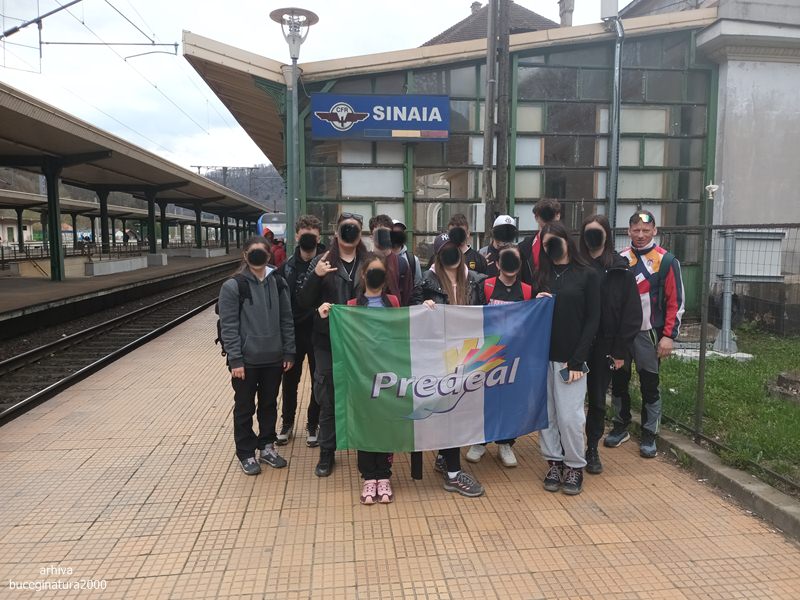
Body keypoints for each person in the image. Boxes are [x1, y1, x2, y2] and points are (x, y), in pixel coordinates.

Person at [318, 253, 400, 504]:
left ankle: (384, 474)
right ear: (363, 275)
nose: (375, 276)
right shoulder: (351, 305)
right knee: (365, 424)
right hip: (361, 377)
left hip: (387, 376)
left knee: (386, 423)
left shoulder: (394, 302)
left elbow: (404, 331)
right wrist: (326, 314)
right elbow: (342, 337)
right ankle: (368, 476)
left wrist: (426, 309)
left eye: (380, 272)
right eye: (371, 271)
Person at [605, 210, 685, 458]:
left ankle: (650, 433)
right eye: (636, 230)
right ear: (628, 231)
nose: (640, 235)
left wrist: (669, 335)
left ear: (655, 231)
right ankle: (620, 426)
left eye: (646, 230)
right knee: (618, 382)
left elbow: (676, 301)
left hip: (648, 333)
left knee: (650, 384)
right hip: (621, 336)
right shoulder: (619, 259)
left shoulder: (667, 261)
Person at [416, 232, 487, 497]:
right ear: (438, 255)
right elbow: (411, 310)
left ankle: (446, 457)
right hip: (440, 357)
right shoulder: (427, 281)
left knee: (461, 411)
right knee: (449, 411)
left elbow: (487, 312)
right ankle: (454, 474)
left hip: (468, 355)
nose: (451, 253)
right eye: (445, 249)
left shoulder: (476, 280)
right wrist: (422, 306)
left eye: (454, 247)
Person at [217, 236, 295, 475]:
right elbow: (229, 326)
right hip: (246, 361)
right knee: (244, 407)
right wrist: (235, 359)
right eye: (253, 251)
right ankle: (246, 452)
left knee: (269, 405)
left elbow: (286, 319)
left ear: (269, 254)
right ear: (245, 255)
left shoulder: (278, 282)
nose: (258, 255)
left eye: (262, 251)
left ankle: (267, 446)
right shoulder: (233, 286)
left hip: (274, 358)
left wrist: (289, 351)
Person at [298, 212, 367, 477]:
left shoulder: (369, 262)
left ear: (360, 234)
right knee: (328, 398)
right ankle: (327, 452)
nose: (349, 233)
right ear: (336, 232)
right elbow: (304, 302)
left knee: (363, 396)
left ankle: (365, 451)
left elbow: (382, 295)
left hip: (360, 342)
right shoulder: (321, 261)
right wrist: (315, 277)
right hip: (327, 340)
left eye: (354, 229)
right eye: (345, 228)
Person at [535, 222, 600, 495]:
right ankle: (554, 461)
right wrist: (537, 301)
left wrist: (578, 358)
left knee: (570, 416)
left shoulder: (587, 274)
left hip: (571, 360)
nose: (550, 248)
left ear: (566, 241)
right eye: (545, 244)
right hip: (542, 358)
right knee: (547, 415)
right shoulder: (542, 275)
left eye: (554, 241)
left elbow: (593, 319)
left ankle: (574, 465)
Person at [578, 215, 642, 474]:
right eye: (588, 232)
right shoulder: (575, 265)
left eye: (598, 232)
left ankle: (592, 448)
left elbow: (631, 314)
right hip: (576, 344)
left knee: (597, 400)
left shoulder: (620, 269)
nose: (593, 237)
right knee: (569, 401)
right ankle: (566, 448)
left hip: (604, 346)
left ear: (607, 235)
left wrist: (619, 350)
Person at [466, 244, 532, 468]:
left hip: (515, 357)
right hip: (487, 355)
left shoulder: (527, 291)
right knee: (485, 400)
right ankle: (480, 442)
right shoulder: (485, 286)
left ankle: (505, 443)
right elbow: (473, 316)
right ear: (497, 263)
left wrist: (543, 301)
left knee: (510, 401)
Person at [276, 215, 325, 447]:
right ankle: (287, 423)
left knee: (318, 379)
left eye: (312, 235)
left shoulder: (328, 263)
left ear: (319, 237)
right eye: (304, 234)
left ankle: (313, 423)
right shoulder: (286, 268)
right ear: (296, 236)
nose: (308, 239)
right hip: (293, 332)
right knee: (289, 380)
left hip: (318, 331)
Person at [368, 214, 412, 305]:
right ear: (371, 237)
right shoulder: (363, 261)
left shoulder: (401, 263)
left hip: (396, 312)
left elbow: (409, 296)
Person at [519, 198, 561, 285]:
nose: (548, 220)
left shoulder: (567, 245)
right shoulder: (524, 247)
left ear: (558, 215)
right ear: (536, 217)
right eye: (544, 215)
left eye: (550, 215)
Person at [391, 219, 422, 289]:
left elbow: (417, 286)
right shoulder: (380, 259)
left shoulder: (413, 260)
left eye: (399, 233)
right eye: (393, 233)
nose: (396, 236)